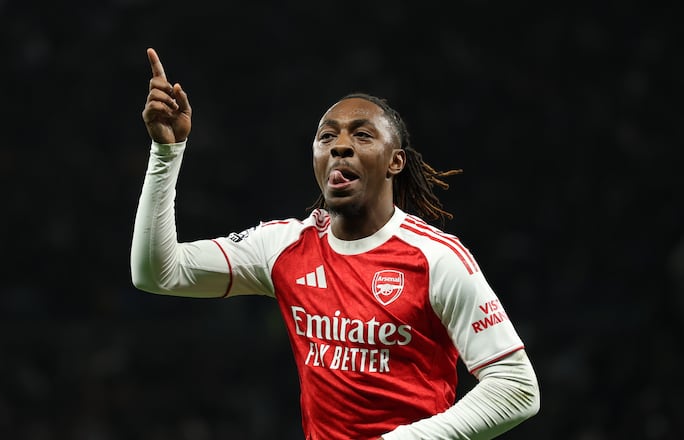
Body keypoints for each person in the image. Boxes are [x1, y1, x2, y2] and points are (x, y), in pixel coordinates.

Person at [130, 47, 540, 439]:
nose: (340, 145)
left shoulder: (436, 259)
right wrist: (166, 151)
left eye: (362, 135)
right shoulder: (283, 247)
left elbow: (516, 387)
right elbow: (159, 273)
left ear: (395, 161)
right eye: (327, 137)